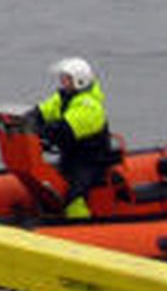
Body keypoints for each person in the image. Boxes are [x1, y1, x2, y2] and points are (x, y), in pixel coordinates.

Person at [35, 57, 110, 219]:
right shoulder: (64, 98)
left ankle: (82, 226)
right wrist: (26, 121)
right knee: (47, 187)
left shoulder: (89, 106)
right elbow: (42, 112)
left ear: (80, 81)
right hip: (71, 157)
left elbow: (64, 130)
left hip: (90, 162)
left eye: (66, 79)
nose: (62, 82)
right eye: (62, 78)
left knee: (73, 197)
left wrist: (40, 132)